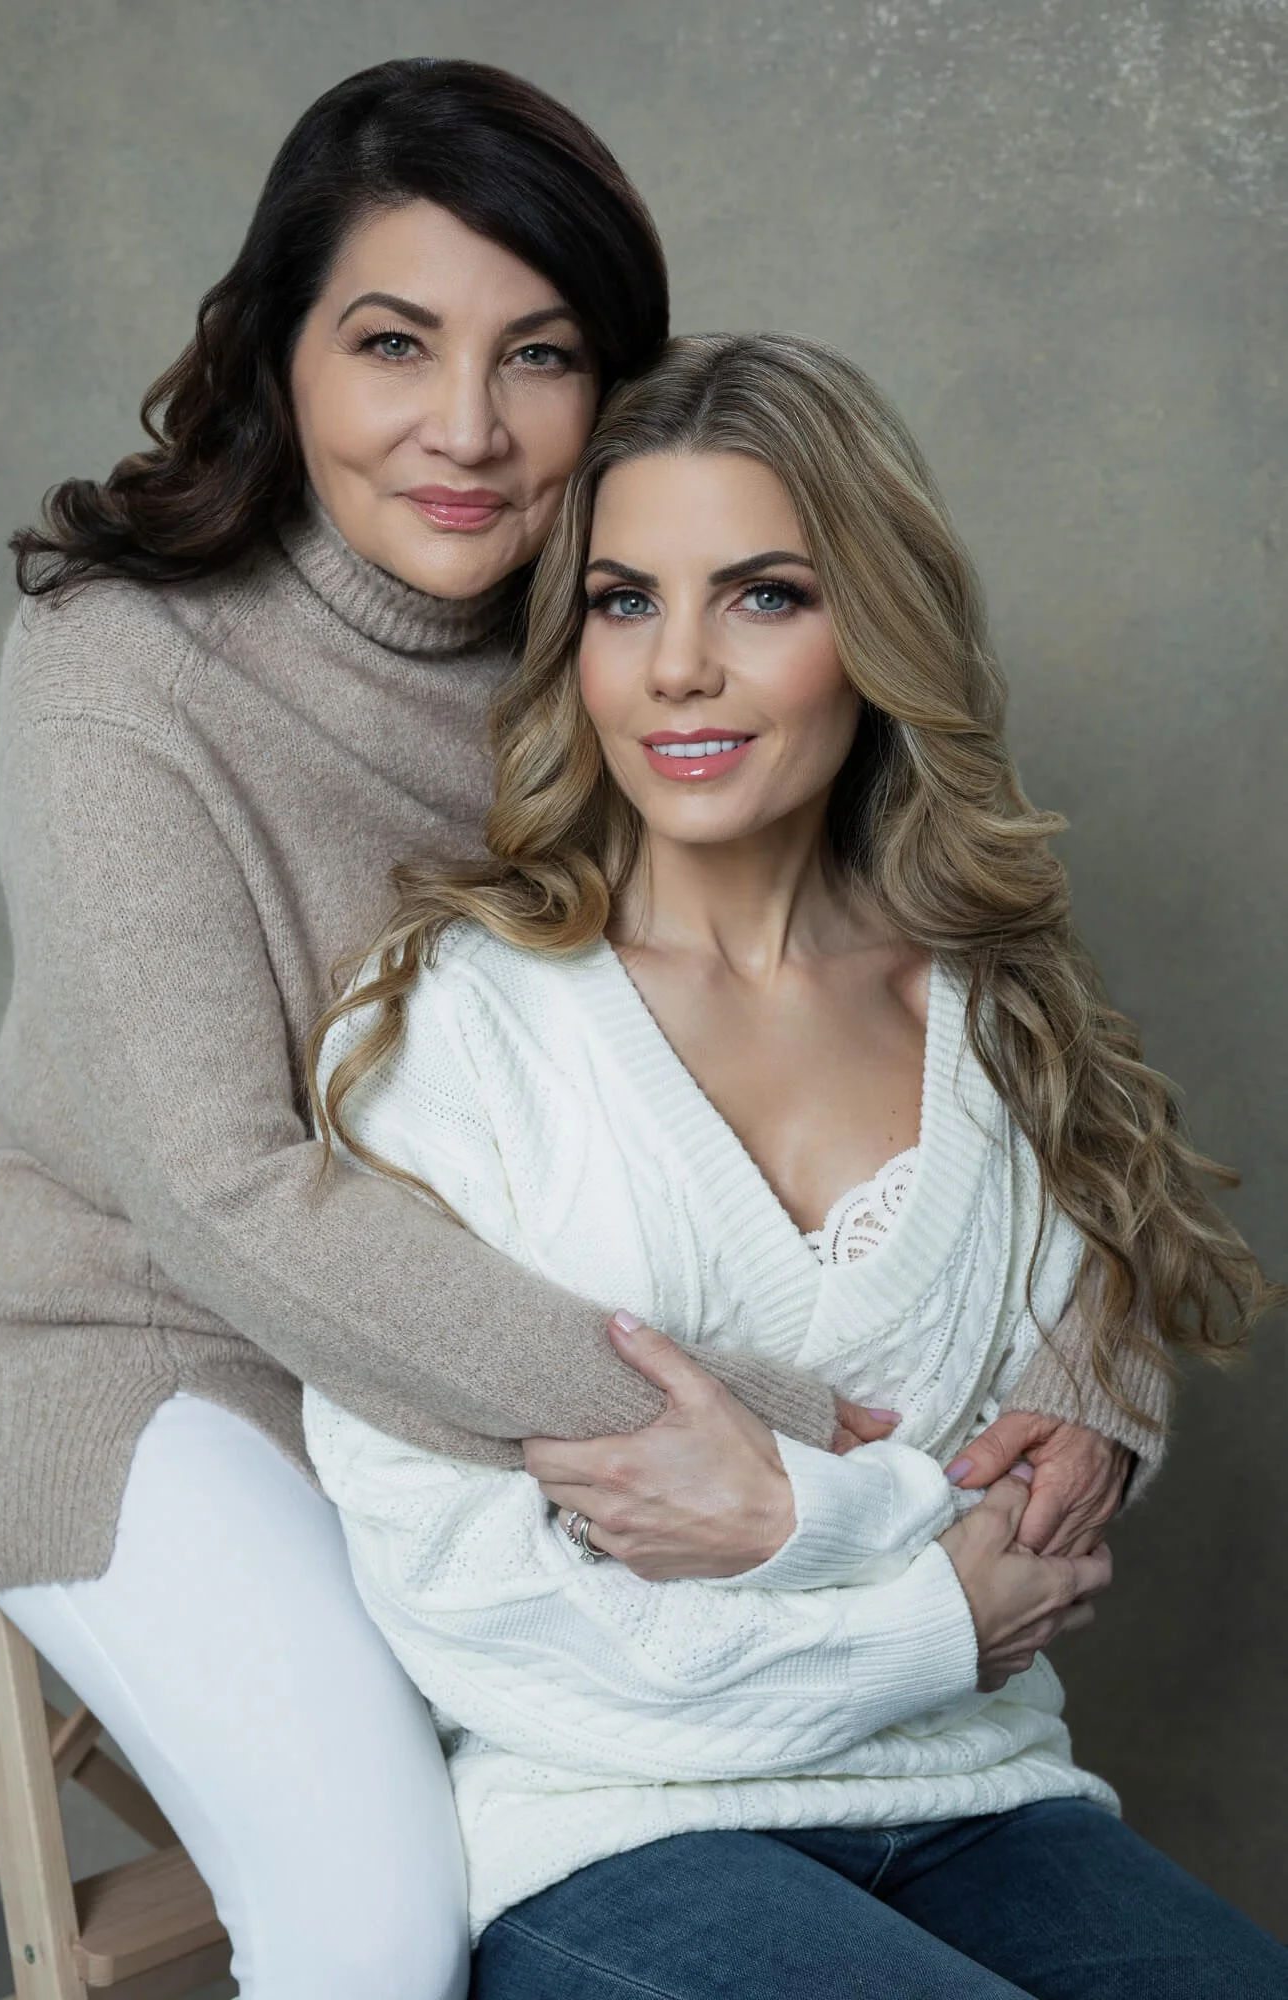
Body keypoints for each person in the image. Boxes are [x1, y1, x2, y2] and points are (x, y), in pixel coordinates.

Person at [0, 57, 1159, 2000]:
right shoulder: (123, 658)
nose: (466, 428)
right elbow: (226, 1194)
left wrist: (1087, 1382)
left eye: (541, 356)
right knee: (380, 1913)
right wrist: (760, 1426)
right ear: (279, 356)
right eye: (393, 343)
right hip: (157, 1358)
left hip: (507, 1356)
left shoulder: (634, 626)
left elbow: (956, 1020)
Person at [304, 332, 1286, 1998]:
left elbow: (1043, 1493)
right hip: (613, 1832)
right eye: (625, 602)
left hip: (987, 1796)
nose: (679, 668)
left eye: (763, 596)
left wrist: (780, 1517)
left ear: (878, 632)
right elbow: (478, 1610)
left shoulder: (998, 1014)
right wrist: (926, 1616)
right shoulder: (451, 1033)